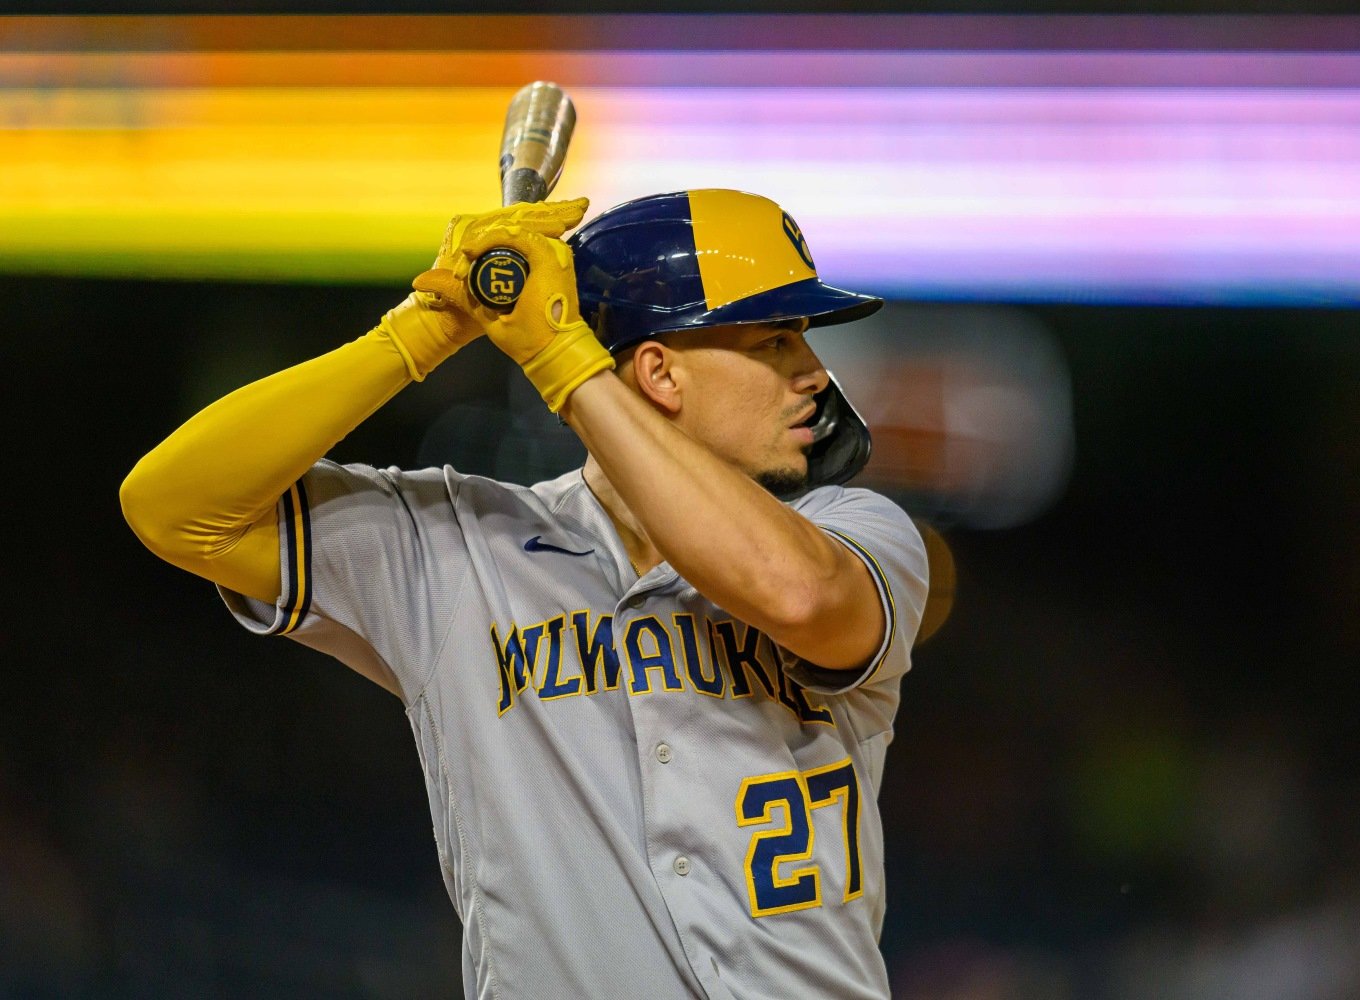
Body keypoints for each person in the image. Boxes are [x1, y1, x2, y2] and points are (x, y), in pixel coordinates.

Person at [121, 188, 929, 999]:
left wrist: (561, 357)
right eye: (775, 341)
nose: (815, 372)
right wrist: (422, 332)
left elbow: (796, 596)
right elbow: (173, 510)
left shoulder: (854, 530)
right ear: (658, 372)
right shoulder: (466, 543)